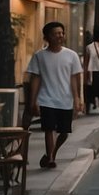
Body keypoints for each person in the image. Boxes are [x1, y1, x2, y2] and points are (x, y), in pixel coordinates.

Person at [25, 22, 84, 169]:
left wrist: (77, 98)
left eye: (61, 33)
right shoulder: (40, 56)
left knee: (64, 132)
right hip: (46, 99)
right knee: (49, 128)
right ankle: (51, 157)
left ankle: (52, 153)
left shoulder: (71, 55)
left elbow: (75, 78)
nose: (59, 36)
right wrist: (33, 101)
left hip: (65, 99)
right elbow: (36, 78)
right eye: (55, 33)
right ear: (47, 37)